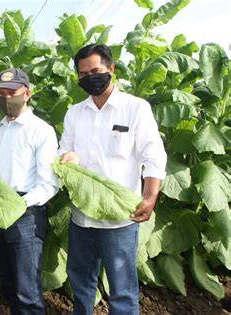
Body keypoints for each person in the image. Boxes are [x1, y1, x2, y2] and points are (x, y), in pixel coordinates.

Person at [58, 43, 167, 314]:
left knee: (122, 289)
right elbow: (64, 150)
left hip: (120, 218)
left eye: (95, 70)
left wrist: (150, 196)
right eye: (83, 75)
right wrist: (67, 157)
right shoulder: (75, 113)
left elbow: (153, 155)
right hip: (81, 217)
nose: (89, 78)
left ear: (111, 69)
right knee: (81, 281)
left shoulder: (135, 108)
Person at [0, 68, 58, 315]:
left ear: (27, 93)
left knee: (26, 291)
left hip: (25, 213)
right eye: (1, 93)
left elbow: (49, 184)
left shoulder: (40, 130)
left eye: (12, 92)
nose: (6, 98)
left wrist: (21, 205)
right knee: (7, 283)